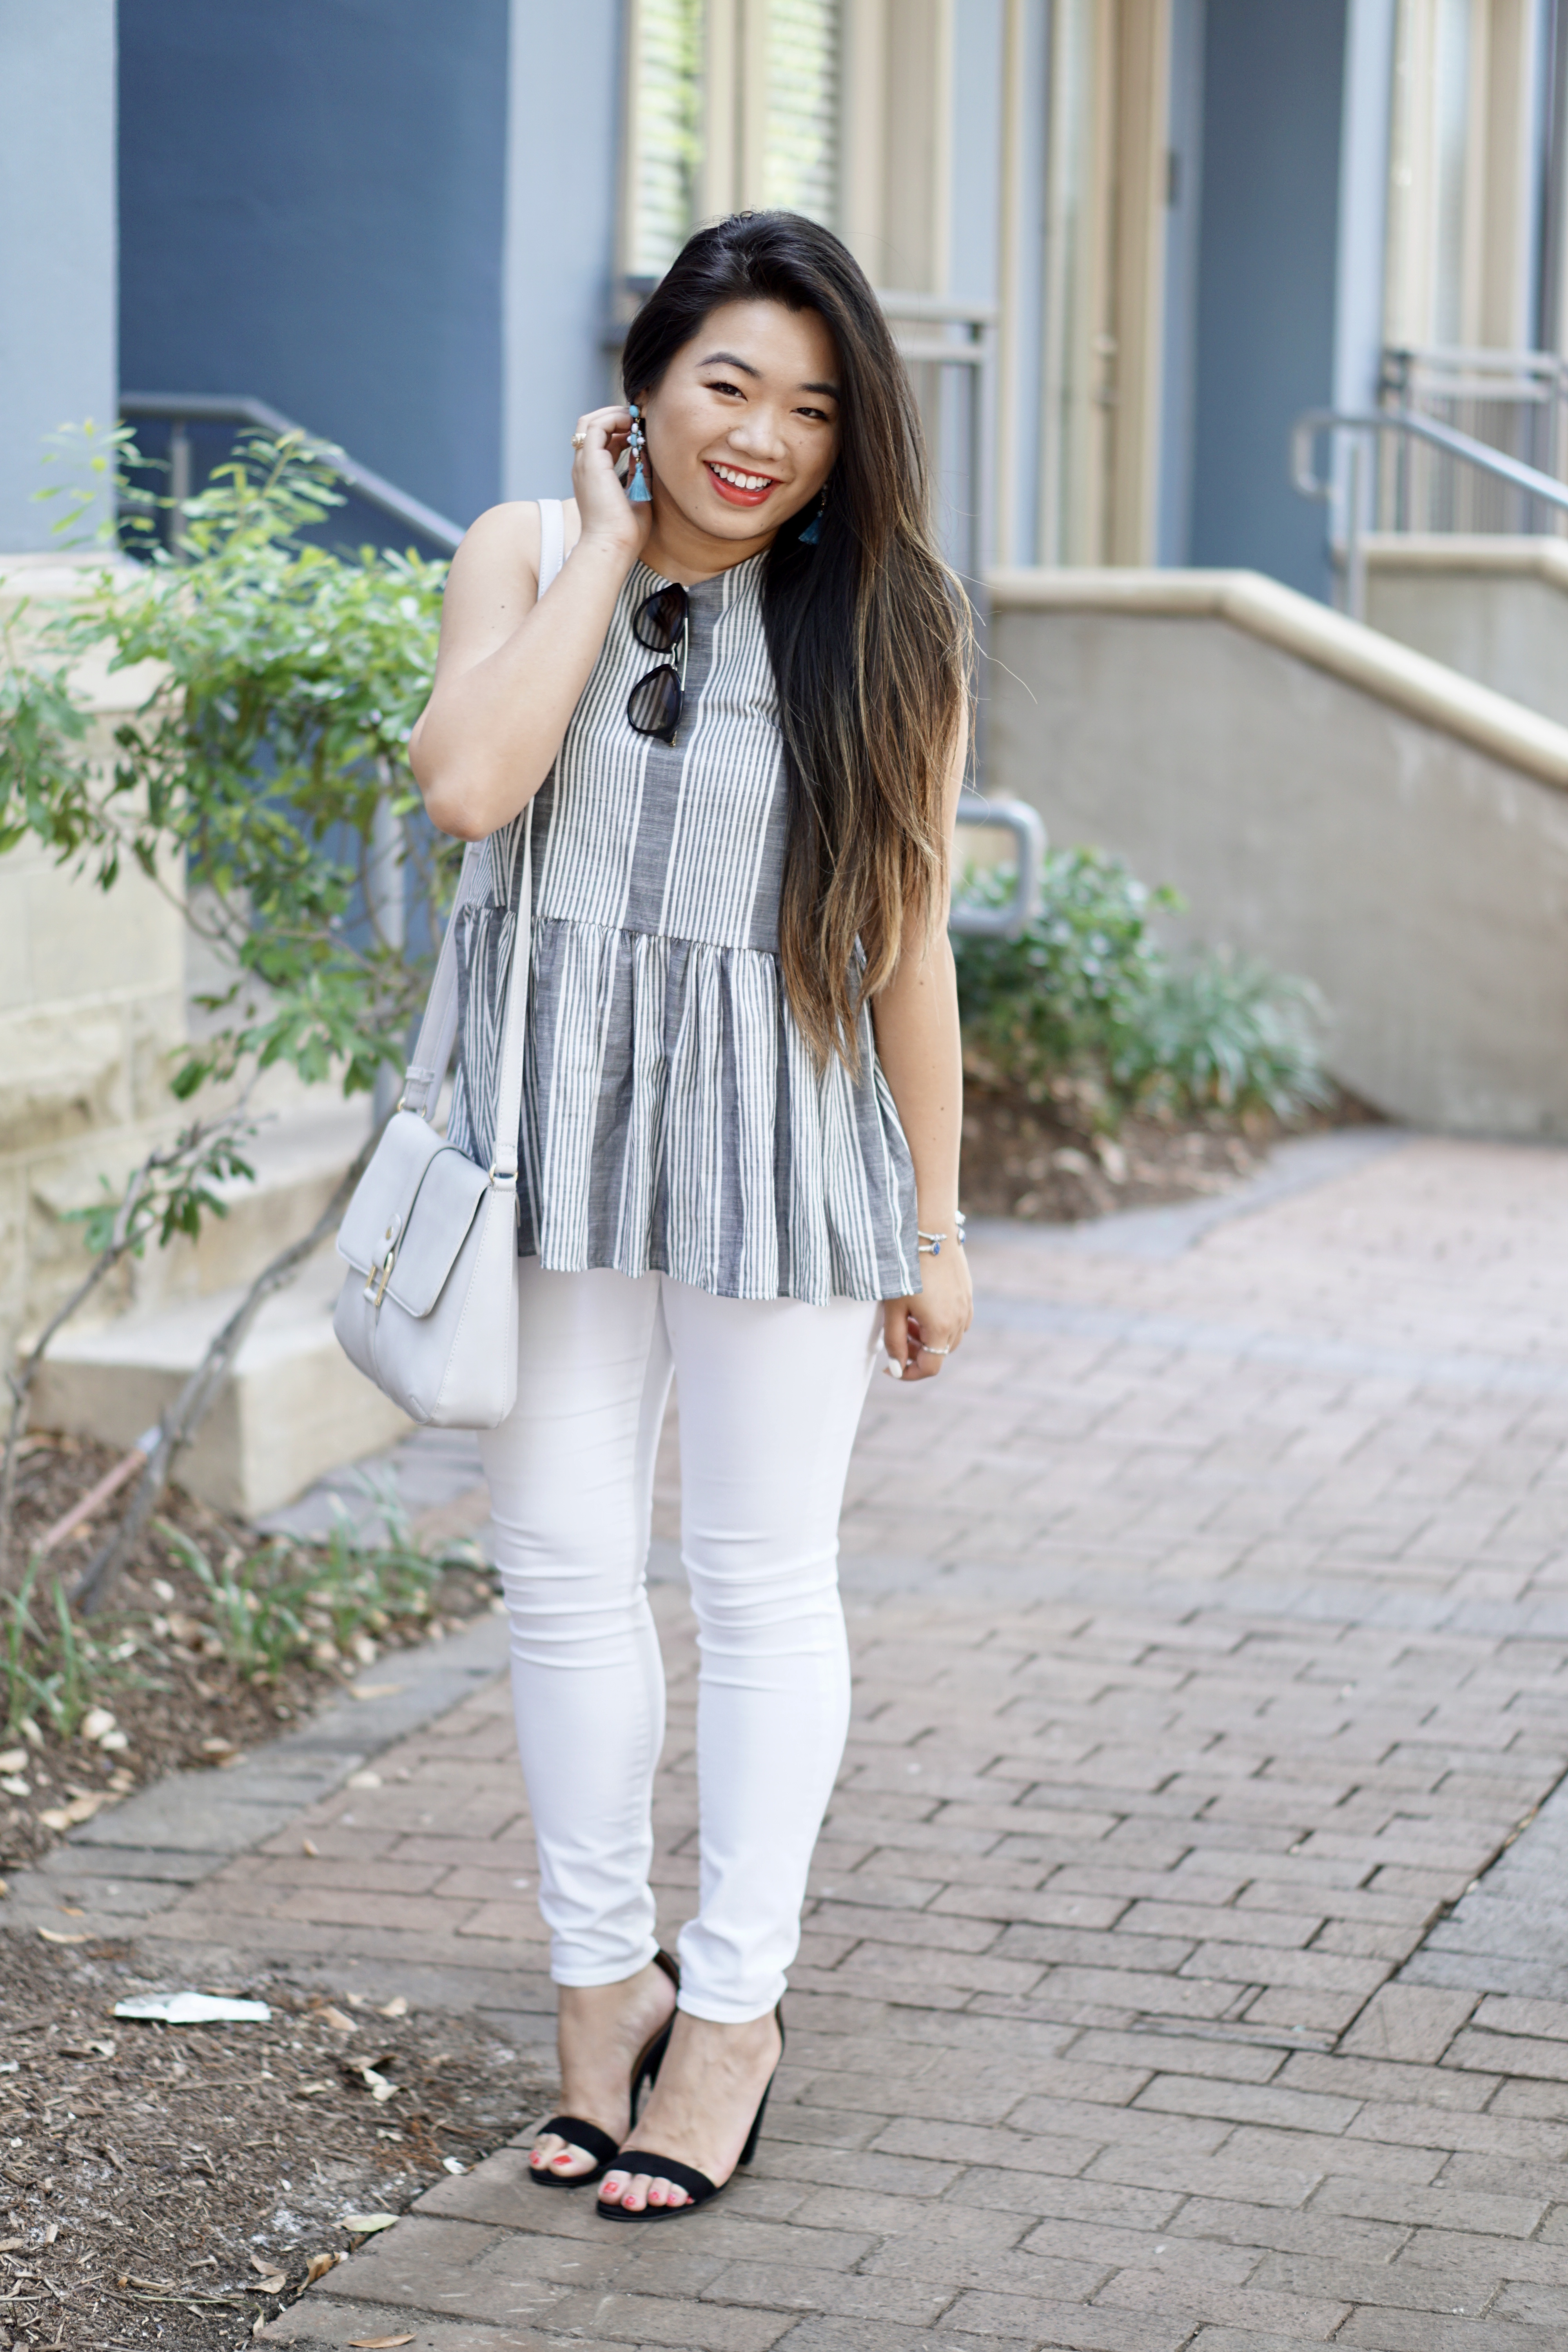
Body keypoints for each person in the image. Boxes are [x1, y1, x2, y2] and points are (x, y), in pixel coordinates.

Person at [408, 209, 972, 2222]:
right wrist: (613, 551)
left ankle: (729, 2017)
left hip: (782, 1149)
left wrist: (941, 1222)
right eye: (725, 382)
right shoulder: (518, 551)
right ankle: (596, 2002)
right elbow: (472, 786)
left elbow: (907, 946)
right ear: (646, 378)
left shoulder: (891, 618)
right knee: (558, 1569)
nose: (763, 436)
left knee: (757, 1587)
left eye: (813, 407)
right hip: (547, 1143)